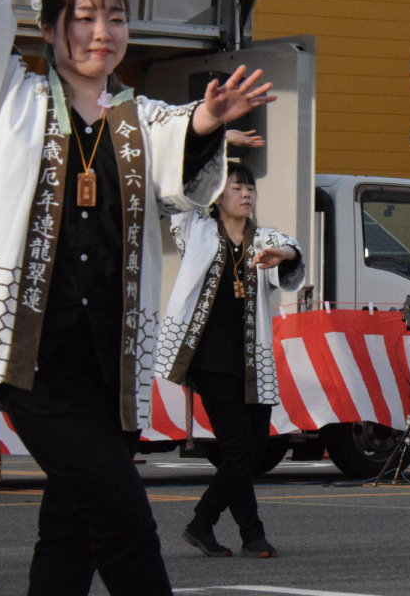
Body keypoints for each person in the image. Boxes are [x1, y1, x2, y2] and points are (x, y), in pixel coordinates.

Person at [0, 0, 273, 596]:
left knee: (71, 533)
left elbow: (177, 143)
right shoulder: (13, 102)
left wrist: (208, 118)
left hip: (106, 363)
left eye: (116, 17)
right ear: (52, 29)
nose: (103, 31)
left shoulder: (136, 117)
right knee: (126, 522)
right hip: (34, 356)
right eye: (85, 18)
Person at [154, 141, 304, 559]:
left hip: (251, 361)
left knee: (253, 451)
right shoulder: (194, 229)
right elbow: (182, 185)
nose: (246, 194)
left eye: (250, 188)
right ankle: (252, 534)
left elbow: (293, 250)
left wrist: (284, 254)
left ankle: (202, 523)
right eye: (236, 187)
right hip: (209, 359)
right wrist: (217, 143)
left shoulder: (263, 239)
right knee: (238, 449)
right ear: (217, 195)